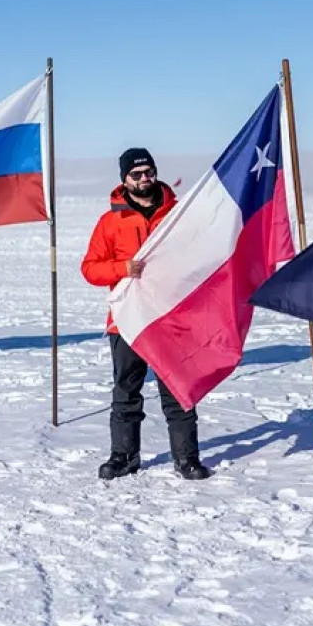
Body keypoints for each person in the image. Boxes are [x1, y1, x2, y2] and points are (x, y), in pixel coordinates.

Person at [81, 148, 211, 481]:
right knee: (126, 390)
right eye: (136, 175)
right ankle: (124, 457)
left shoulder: (177, 215)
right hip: (127, 320)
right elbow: (90, 270)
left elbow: (199, 255)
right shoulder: (110, 221)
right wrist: (122, 268)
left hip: (171, 318)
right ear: (124, 179)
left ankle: (186, 458)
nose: (144, 179)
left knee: (177, 388)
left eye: (149, 172)